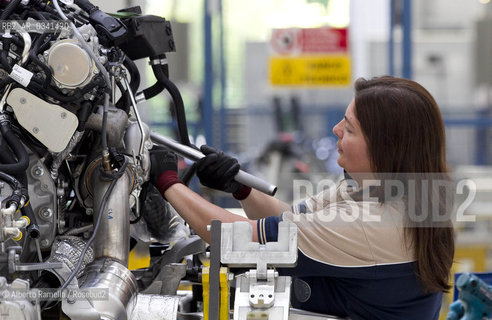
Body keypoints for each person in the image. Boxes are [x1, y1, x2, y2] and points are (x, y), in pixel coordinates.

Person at [150, 76, 455, 320]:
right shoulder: (384, 191)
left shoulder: (373, 223)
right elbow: (291, 220)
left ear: (384, 149)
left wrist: (168, 182)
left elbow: (235, 241)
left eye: (348, 129)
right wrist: (239, 186)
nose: (336, 130)